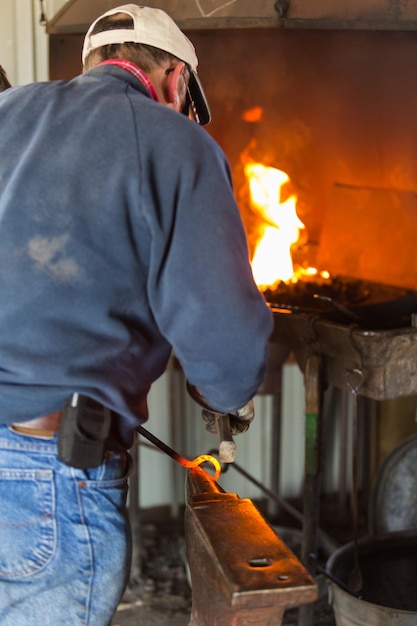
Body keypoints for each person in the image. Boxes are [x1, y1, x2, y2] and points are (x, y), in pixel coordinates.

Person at [0, 4, 273, 625]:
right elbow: (224, 334)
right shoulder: (175, 141)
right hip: (47, 476)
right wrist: (225, 394)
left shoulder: (8, 115)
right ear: (176, 79)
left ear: (94, 61)